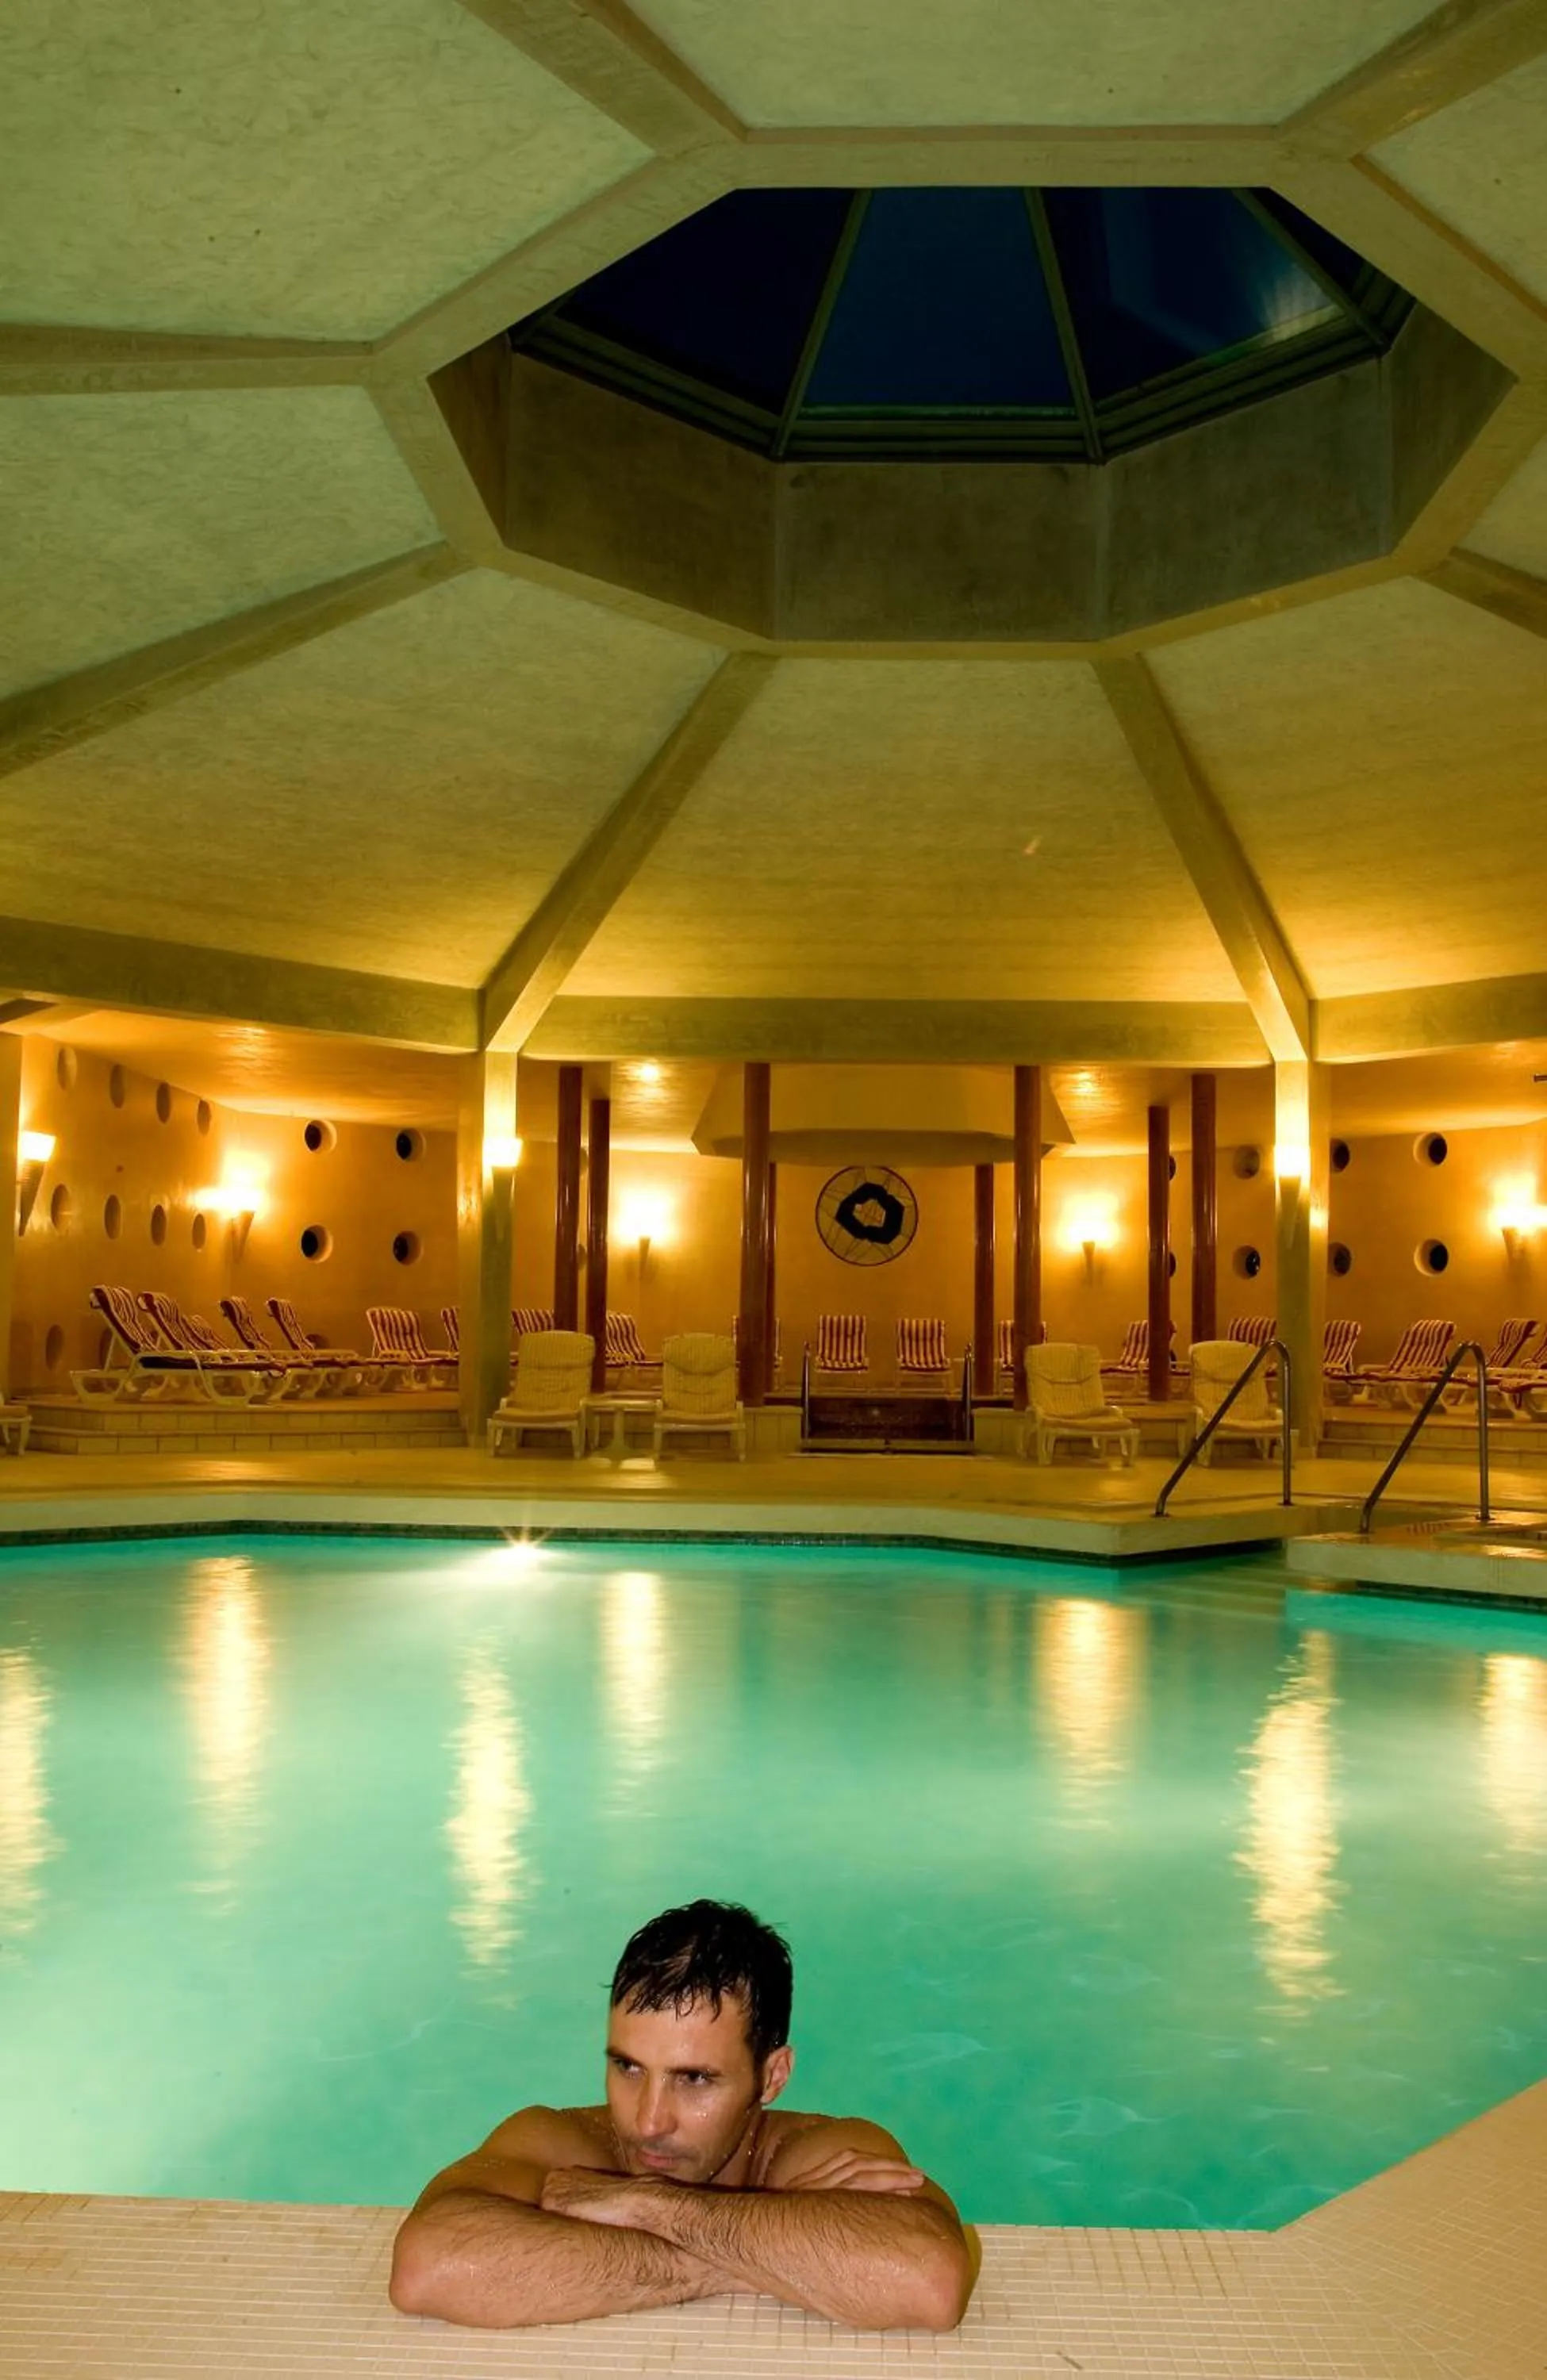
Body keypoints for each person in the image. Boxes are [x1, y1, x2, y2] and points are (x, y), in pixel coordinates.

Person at [390, 1898, 979, 2332]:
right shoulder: (556, 2140)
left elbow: (929, 2282)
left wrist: (648, 2205)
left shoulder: (825, 2150)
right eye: (628, 2067)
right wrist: (771, 2253)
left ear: (772, 2076)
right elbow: (427, 2266)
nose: (649, 2122)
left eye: (694, 2079)